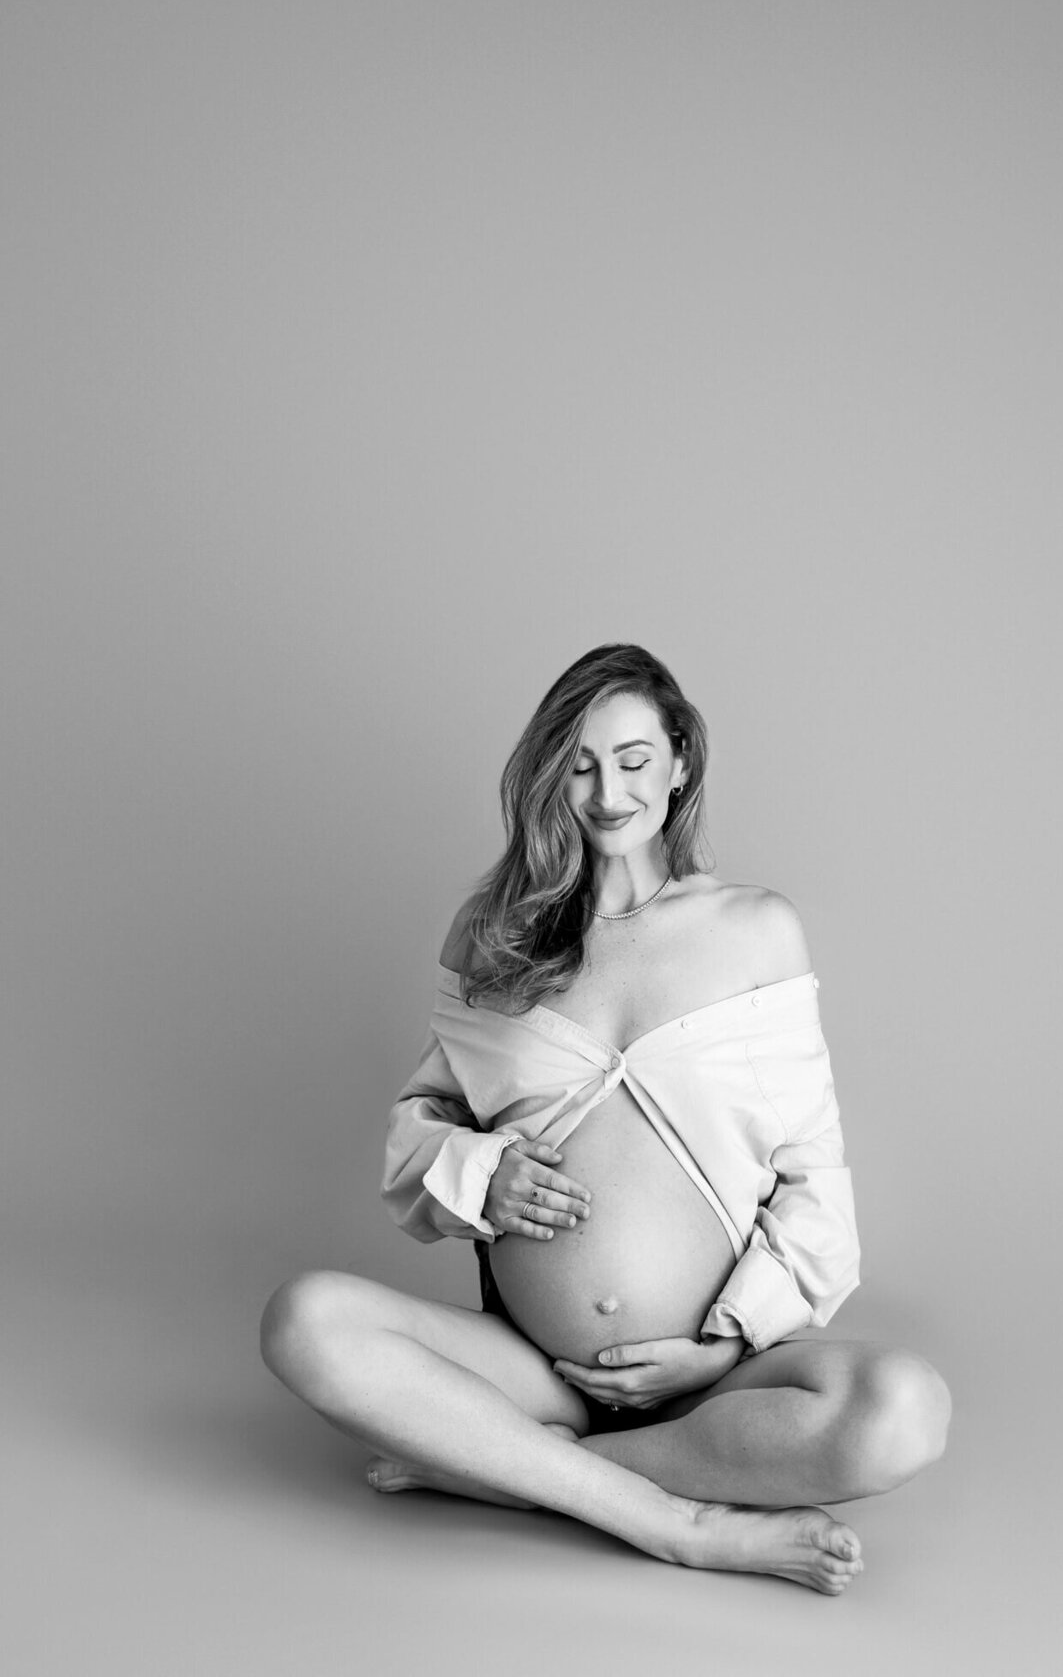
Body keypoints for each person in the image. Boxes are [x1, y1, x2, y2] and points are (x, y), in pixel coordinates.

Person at [260, 644, 951, 1594]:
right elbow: (415, 1131)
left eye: (631, 759)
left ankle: (499, 1467)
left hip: (706, 1384)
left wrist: (719, 1346)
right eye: (579, 764)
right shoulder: (492, 937)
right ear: (551, 777)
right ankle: (681, 1522)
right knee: (306, 1319)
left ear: (679, 762)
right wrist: (481, 1172)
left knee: (903, 1411)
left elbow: (812, 1176)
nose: (607, 791)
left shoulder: (755, 930)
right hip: (533, 1371)